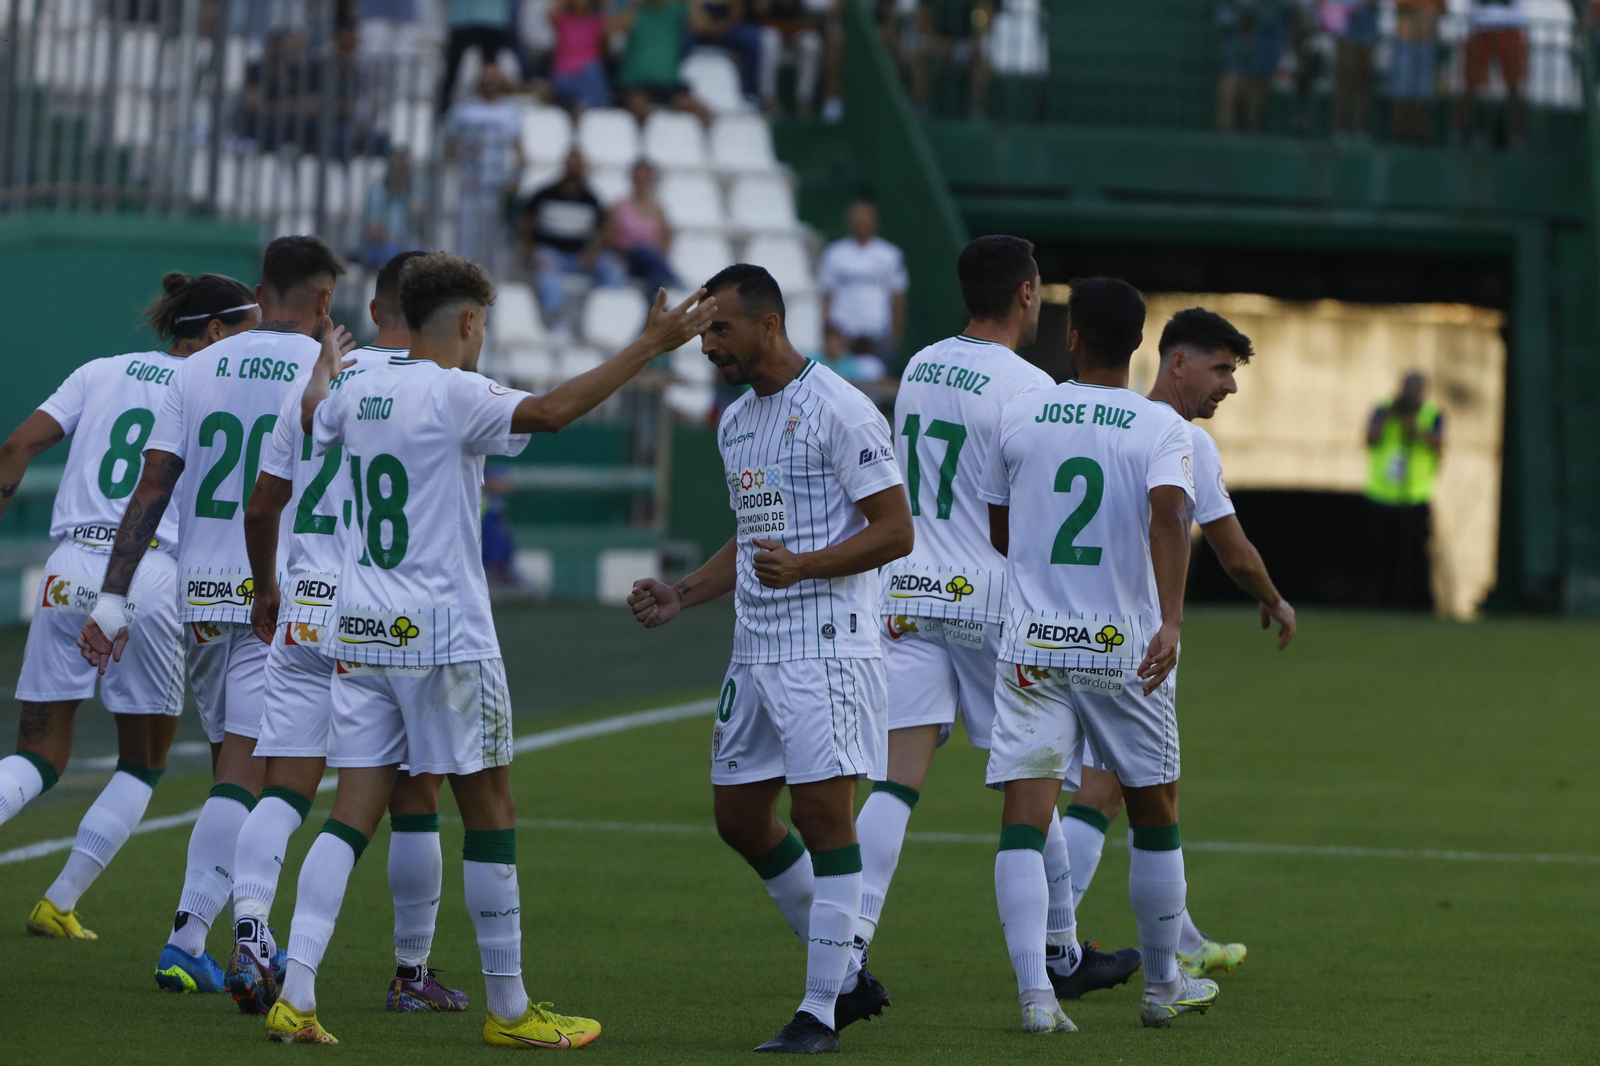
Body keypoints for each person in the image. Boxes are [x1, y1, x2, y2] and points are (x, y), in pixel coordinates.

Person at [265, 254, 715, 1046]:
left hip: (363, 627)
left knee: (347, 817)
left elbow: (311, 417)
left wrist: (327, 370)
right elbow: (547, 413)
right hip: (443, 638)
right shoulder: (456, 391)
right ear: (469, 322)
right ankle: (510, 1012)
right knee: (489, 812)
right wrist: (648, 348)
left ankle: (296, 994)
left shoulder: (357, 385)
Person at [627, 265, 915, 1053]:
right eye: (704, 330)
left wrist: (810, 566)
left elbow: (896, 530)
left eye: (719, 328)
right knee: (740, 816)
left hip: (826, 649)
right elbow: (755, 541)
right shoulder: (735, 422)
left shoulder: (842, 411)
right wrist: (685, 593)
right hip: (755, 652)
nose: (707, 343)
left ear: (770, 325)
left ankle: (820, 1010)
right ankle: (848, 977)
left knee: (826, 817)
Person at [848, 236, 1142, 1006]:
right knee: (1033, 785)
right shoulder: (1029, 386)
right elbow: (1025, 513)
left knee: (893, 786)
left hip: (907, 591)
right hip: (989, 597)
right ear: (1024, 295)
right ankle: (1060, 952)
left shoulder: (917, 366)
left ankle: (844, 952)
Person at [77, 235, 348, 996]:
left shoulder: (196, 367)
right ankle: (221, 936)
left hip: (200, 592)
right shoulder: (325, 370)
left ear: (262, 294)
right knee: (251, 775)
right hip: (276, 588)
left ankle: (193, 940)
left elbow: (152, 484)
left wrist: (112, 595)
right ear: (324, 301)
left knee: (237, 764)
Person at [222, 251, 467, 1017]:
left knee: (286, 784)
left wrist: (265, 589)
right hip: (380, 612)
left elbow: (262, 507)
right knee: (411, 795)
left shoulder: (323, 389)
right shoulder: (432, 390)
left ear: (372, 308)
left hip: (300, 600)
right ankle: (411, 971)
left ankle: (253, 928)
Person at [980, 277, 1214, 1032]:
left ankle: (1036, 999)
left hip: (1033, 645)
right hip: (1124, 646)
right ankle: (1160, 988)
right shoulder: (1158, 428)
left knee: (1024, 817)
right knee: (1155, 814)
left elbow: (999, 528)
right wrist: (1171, 622)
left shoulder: (1022, 412)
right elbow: (1169, 520)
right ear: (1143, 344)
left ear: (1072, 337)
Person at [0, 274, 259, 941]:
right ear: (215, 332)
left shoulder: (100, 371)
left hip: (65, 570)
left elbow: (16, 447)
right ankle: (59, 900)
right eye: (249, 329)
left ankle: (59, 903)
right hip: (147, 573)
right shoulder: (218, 388)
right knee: (143, 761)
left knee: (38, 754)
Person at [1059, 307, 1296, 982]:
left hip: (1066, 631)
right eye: (1221, 368)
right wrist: (1274, 600)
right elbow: (1234, 550)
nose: (1230, 385)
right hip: (1137, 642)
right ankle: (1070, 947)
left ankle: (1174, 936)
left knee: (1118, 792)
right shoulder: (1178, 439)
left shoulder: (1107, 426)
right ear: (1176, 363)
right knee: (1136, 798)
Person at [519, 149, 626, 328]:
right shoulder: (543, 194)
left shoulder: (591, 199)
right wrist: (529, 250)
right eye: (572, 164)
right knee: (546, 266)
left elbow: (602, 233)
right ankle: (556, 316)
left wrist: (593, 253)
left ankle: (609, 317)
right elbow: (526, 225)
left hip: (579, 258)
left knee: (613, 266)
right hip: (551, 254)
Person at [1364, 371, 1443, 609]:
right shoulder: (1383, 409)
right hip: (1382, 496)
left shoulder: (1431, 414)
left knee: (1417, 557)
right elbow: (1370, 438)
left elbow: (1439, 443)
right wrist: (1391, 417)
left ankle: (1419, 605)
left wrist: (1416, 427)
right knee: (1381, 556)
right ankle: (1380, 602)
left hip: (1416, 496)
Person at [442, 65, 525, 270]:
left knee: (493, 239)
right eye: (485, 78)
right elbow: (448, 147)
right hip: (469, 184)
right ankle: (462, 278)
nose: (489, 82)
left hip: (497, 184)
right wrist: (466, 150)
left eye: (493, 78)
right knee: (466, 237)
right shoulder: (464, 111)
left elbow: (518, 150)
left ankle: (489, 285)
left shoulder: (511, 112)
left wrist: (516, 177)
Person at [817, 202, 907, 368]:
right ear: (849, 221)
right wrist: (826, 333)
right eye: (857, 219)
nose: (862, 223)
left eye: (866, 219)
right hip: (843, 335)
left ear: (875, 221)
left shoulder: (890, 254)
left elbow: (898, 298)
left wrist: (895, 338)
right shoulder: (834, 253)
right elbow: (826, 296)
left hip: (878, 335)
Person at [615, 0, 712, 123]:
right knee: (639, 107)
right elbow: (611, 29)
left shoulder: (677, 10)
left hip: (668, 85)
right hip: (634, 84)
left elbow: (704, 26)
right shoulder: (636, 10)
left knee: (701, 111)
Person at [603, 161, 681, 295]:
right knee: (644, 250)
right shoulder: (620, 206)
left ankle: (655, 298)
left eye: (645, 178)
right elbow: (609, 237)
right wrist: (631, 245)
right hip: (627, 257)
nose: (642, 182)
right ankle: (675, 283)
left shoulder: (658, 208)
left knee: (652, 262)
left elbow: (666, 238)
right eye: (639, 178)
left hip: (650, 259)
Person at [755, 0, 842, 120]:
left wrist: (794, 31)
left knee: (812, 43)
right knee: (769, 39)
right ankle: (768, 99)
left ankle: (804, 101)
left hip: (797, 32)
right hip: (774, 31)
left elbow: (813, 20)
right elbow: (761, 15)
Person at [438, 0, 528, 114]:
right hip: (465, 16)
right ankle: (446, 113)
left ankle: (490, 110)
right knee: (454, 73)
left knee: (489, 71)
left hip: (489, 16)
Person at [1458, 0, 1527, 145]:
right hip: (1480, 27)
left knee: (1513, 85)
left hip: (1510, 28)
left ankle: (1517, 135)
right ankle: (1461, 132)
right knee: (1471, 83)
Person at [690, 0, 764, 107]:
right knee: (680, 40)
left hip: (726, 28)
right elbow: (693, 13)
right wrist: (707, 27)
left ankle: (749, 93)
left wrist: (721, 27)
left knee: (752, 40)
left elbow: (737, 12)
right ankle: (678, 91)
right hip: (701, 28)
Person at [1391, 0, 1443, 143]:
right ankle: (1401, 134)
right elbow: (1399, 4)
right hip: (1405, 40)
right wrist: (1424, 8)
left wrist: (1419, 9)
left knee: (1424, 90)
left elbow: (1440, 8)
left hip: (1427, 42)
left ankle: (1420, 135)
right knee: (1402, 88)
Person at [362, 153, 425, 270]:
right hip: (381, 247)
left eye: (403, 170)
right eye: (396, 169)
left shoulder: (415, 193)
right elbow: (372, 231)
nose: (399, 174)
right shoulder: (377, 193)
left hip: (408, 247)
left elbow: (422, 227)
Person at [549, 0, 614, 110]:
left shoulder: (599, 21)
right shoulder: (563, 19)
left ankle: (584, 108)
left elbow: (620, 23)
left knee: (594, 70)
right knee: (598, 84)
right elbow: (550, 11)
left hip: (591, 78)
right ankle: (592, 110)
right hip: (565, 78)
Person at [1330, 0, 1378, 136]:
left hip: (1367, 27)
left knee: (1363, 80)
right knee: (1345, 77)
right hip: (1345, 24)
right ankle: (1340, 128)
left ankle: (1359, 128)